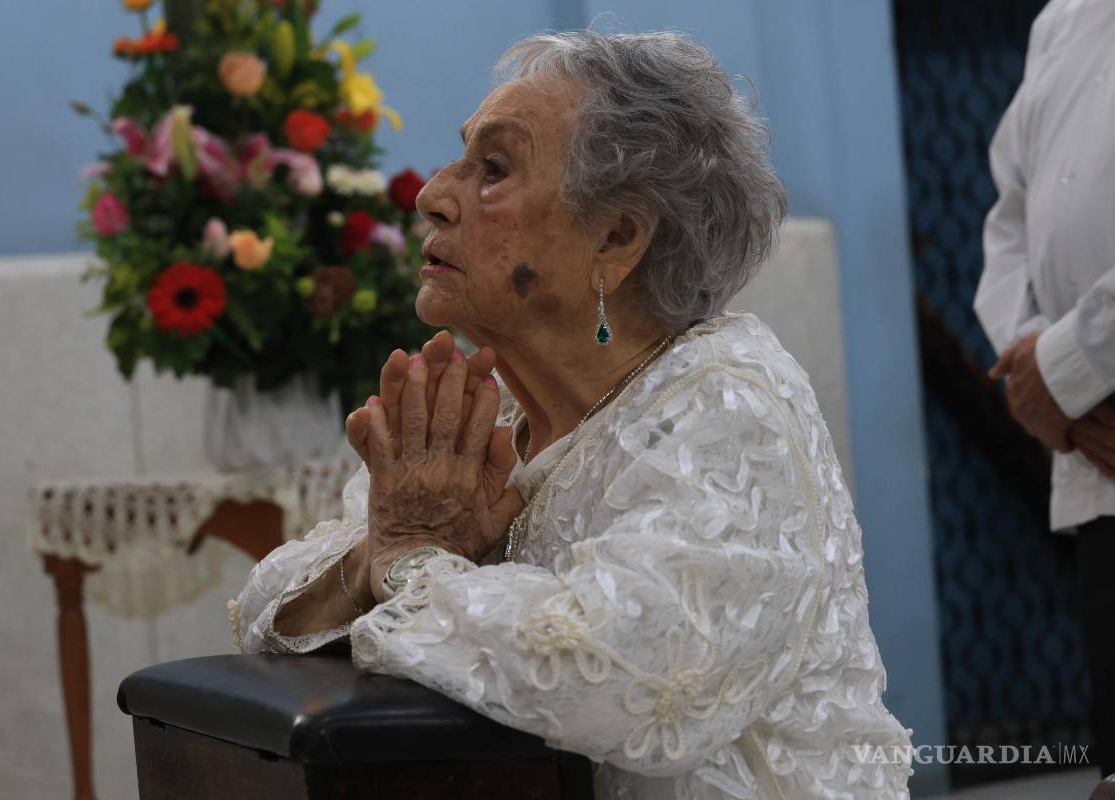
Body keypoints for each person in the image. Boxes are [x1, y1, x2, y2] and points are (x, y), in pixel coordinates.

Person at [230, 30, 914, 798]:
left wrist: (414, 564)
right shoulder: (492, 415)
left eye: (493, 169)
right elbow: (265, 612)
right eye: (462, 158)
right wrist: (381, 557)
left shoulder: (728, 405)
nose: (432, 195)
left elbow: (628, 680)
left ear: (616, 238)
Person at [974, 0, 1115, 779]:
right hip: (1096, 461)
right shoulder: (1061, 20)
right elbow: (1011, 219)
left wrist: (1063, 369)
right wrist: (1032, 367)